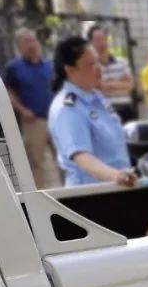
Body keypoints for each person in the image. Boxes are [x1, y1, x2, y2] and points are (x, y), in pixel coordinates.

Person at [48, 36, 137, 188]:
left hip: (115, 188)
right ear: (69, 69)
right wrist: (116, 176)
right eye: (90, 64)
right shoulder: (68, 108)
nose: (99, 68)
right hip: (90, 193)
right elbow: (82, 157)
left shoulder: (96, 97)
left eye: (98, 61)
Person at [4, 27, 58, 188]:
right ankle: (39, 196)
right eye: (26, 41)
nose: (31, 44)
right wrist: (22, 110)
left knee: (65, 158)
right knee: (36, 162)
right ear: (19, 46)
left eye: (33, 40)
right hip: (34, 121)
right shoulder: (14, 67)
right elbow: (9, 92)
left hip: (55, 119)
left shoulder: (49, 65)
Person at [87, 23, 136, 123]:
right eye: (97, 40)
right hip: (102, 111)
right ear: (90, 43)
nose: (102, 43)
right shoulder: (89, 66)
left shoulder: (122, 62)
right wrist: (120, 82)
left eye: (103, 38)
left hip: (125, 110)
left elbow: (130, 86)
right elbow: (95, 87)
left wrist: (106, 84)